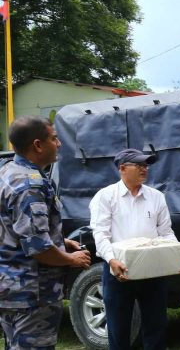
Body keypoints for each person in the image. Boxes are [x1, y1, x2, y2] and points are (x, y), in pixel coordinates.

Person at [0, 116, 91, 349]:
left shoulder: (8, 172)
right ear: (38, 145)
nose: (59, 143)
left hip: (11, 287)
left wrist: (61, 241)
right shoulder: (30, 185)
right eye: (54, 138)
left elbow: (14, 229)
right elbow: (38, 247)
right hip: (32, 292)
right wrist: (70, 259)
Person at [92, 149, 180, 350]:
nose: (145, 169)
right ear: (122, 169)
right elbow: (100, 234)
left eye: (146, 165)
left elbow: (166, 232)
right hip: (119, 271)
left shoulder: (156, 197)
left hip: (153, 270)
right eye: (139, 165)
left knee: (156, 325)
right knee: (119, 328)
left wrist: (177, 256)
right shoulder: (106, 196)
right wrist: (111, 260)